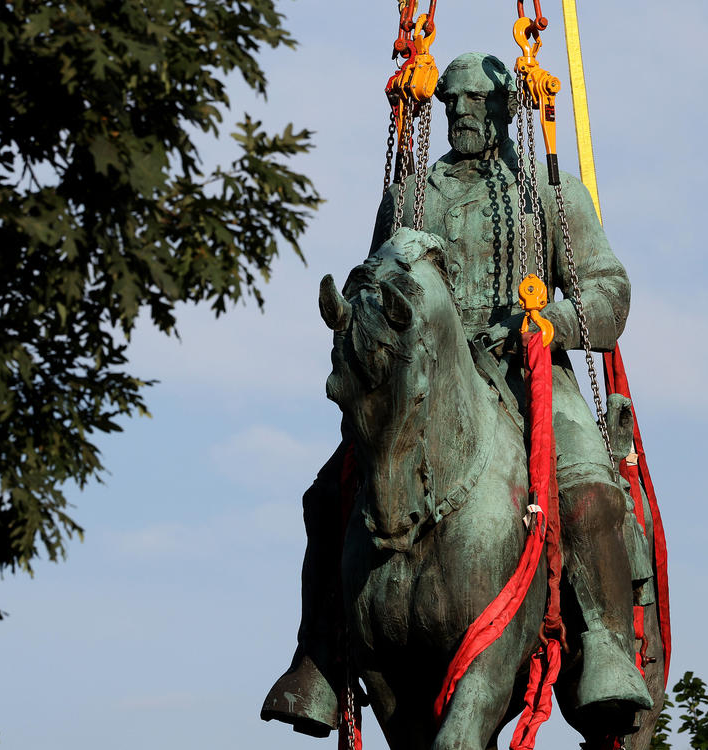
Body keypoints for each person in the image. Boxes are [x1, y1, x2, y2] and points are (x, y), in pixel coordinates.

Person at [261, 52, 652, 739]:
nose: (464, 114)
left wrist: (548, 321)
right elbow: (379, 284)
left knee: (588, 492)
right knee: (328, 497)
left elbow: (608, 294)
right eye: (452, 102)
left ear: (507, 109)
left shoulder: (550, 194)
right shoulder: (409, 197)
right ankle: (317, 655)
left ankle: (607, 651)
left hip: (529, 367)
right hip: (424, 378)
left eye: (479, 102)